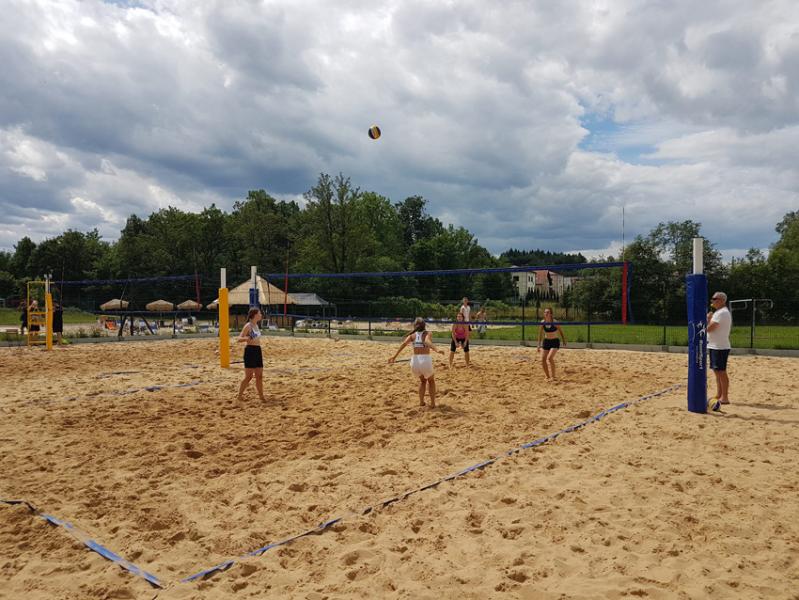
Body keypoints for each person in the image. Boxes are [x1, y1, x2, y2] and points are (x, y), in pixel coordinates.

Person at [388, 317, 445, 408]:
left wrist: (394, 357)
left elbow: (403, 344)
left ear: (415, 326)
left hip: (415, 362)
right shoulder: (428, 333)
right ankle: (433, 403)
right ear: (424, 325)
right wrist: (436, 350)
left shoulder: (412, 335)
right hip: (425, 360)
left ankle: (421, 402)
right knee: (431, 381)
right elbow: (427, 341)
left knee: (422, 381)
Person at [707, 291, 732, 410]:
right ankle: (719, 394)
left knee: (721, 371)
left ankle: (725, 397)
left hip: (720, 347)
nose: (712, 301)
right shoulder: (719, 312)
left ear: (722, 300)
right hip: (715, 346)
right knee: (717, 371)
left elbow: (710, 328)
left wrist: (707, 319)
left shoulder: (721, 313)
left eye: (714, 299)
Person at [237, 307, 266, 402]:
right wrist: (247, 338)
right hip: (250, 351)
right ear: (254, 315)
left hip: (257, 350)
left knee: (259, 376)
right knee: (249, 377)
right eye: (259, 313)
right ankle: (239, 396)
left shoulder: (256, 325)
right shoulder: (248, 326)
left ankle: (261, 396)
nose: (261, 315)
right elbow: (239, 339)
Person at [537, 307, 567, 381]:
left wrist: (564, 340)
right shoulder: (542, 322)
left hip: (554, 342)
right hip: (546, 341)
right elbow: (540, 334)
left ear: (551, 314)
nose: (546, 313)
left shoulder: (555, 322)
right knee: (543, 359)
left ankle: (553, 376)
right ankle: (547, 376)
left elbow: (561, 331)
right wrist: (538, 345)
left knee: (550, 358)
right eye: (545, 312)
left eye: (548, 312)